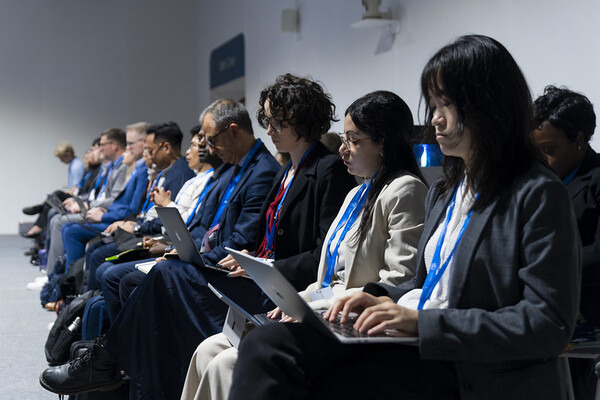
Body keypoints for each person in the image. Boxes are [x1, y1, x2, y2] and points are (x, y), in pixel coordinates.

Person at [228, 34, 581, 400]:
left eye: (446, 104)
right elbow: (424, 287)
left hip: (467, 366)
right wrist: (377, 297)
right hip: (419, 346)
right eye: (432, 104)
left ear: (487, 105)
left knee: (295, 367)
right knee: (268, 346)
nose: (435, 119)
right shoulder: (446, 191)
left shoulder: (537, 193)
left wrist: (425, 325)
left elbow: (549, 324)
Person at [181, 90, 429, 400]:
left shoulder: (405, 189)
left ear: (383, 142)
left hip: (351, 318)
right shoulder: (357, 194)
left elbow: (399, 280)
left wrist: (314, 306)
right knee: (208, 349)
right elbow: (327, 279)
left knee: (227, 362)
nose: (343, 149)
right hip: (324, 307)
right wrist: (297, 301)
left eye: (353, 140)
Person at [40, 99, 282, 399]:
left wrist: (195, 258)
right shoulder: (237, 168)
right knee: (128, 274)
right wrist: (183, 250)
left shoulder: (259, 171)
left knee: (148, 274)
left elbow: (240, 241)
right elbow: (210, 227)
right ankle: (127, 368)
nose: (208, 147)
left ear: (232, 131)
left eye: (211, 140)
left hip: (236, 275)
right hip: (214, 260)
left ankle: (110, 362)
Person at [532, 85, 599, 398]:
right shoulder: (535, 184)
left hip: (587, 322)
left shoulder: (596, 180)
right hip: (544, 317)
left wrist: (544, 267)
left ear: (579, 139)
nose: (542, 160)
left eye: (549, 149)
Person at [45, 128, 128, 273]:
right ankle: (57, 274)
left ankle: (59, 275)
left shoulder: (122, 168)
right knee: (58, 217)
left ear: (115, 145)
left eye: (102, 145)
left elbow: (114, 200)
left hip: (109, 215)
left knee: (61, 223)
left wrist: (88, 205)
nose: (99, 149)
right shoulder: (112, 167)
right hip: (100, 210)